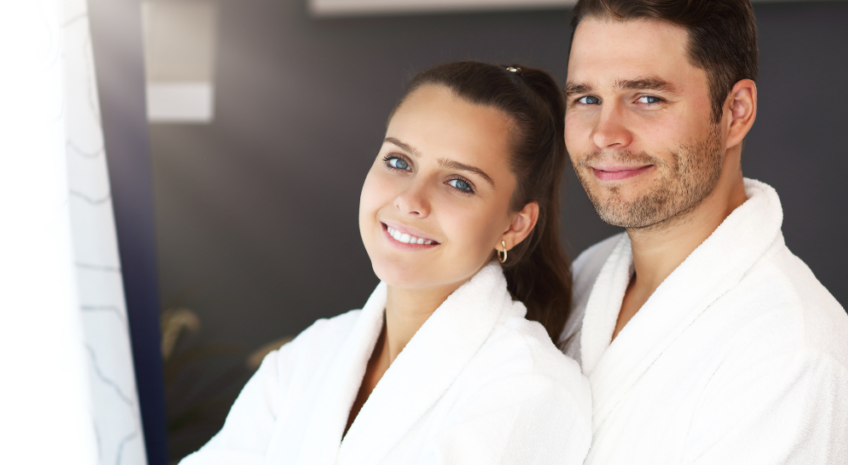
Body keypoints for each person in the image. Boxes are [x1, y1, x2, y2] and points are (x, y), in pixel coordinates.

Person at [559, 0, 848, 464]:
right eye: (587, 98)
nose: (605, 134)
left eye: (647, 98)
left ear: (735, 112)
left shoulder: (791, 358)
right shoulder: (589, 280)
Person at [181, 61, 591, 465]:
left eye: (459, 183)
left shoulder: (529, 389)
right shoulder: (311, 355)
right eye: (399, 162)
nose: (411, 200)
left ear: (515, 226)